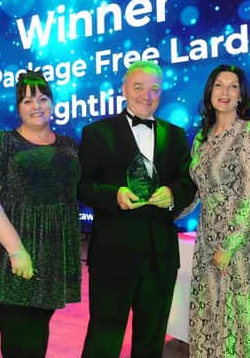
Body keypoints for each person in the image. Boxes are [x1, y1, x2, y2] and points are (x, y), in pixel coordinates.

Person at [78, 60, 197, 358]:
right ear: (124, 91)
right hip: (112, 254)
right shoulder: (97, 132)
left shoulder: (176, 135)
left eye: (154, 89)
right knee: (103, 338)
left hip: (161, 257)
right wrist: (113, 194)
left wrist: (172, 193)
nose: (147, 96)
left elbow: (188, 182)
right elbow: (82, 185)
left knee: (150, 341)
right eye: (139, 88)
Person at [0, 69, 81, 358]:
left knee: (36, 337)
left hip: (52, 259)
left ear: (53, 103)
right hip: (9, 259)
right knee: (22, 341)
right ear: (18, 107)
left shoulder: (69, 146)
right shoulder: (2, 142)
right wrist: (17, 251)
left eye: (43, 98)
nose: (37, 106)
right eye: (28, 101)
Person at [187, 64, 250, 357]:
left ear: (241, 95)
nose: (224, 92)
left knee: (241, 316)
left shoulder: (248, 132)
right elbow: (198, 190)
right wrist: (161, 211)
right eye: (219, 85)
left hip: (240, 241)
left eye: (232, 86)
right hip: (207, 236)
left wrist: (230, 245)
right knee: (210, 312)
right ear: (210, 91)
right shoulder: (202, 137)